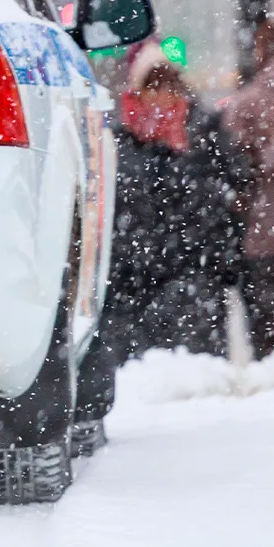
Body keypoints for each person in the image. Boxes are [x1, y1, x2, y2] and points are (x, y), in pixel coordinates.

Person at [102, 43, 249, 358]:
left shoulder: (204, 133)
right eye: (152, 86)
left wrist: (223, 259)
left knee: (197, 380)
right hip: (130, 288)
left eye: (169, 85)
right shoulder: (114, 143)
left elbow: (227, 199)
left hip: (193, 284)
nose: (161, 96)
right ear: (136, 92)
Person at [221, 18, 274, 359]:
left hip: (268, 229)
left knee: (271, 334)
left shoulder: (248, 104)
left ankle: (273, 370)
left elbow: (230, 165)